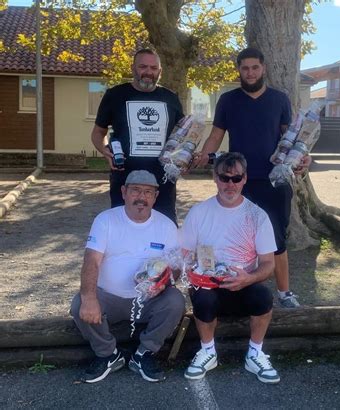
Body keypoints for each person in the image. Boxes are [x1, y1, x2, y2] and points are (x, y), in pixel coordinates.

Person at [194, 47, 310, 308]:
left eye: (254, 67)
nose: (250, 73)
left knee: (277, 238)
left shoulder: (280, 100)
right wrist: (202, 155)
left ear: (263, 68)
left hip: (274, 182)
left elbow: (291, 139)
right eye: (245, 68)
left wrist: (304, 158)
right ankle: (237, 282)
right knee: (236, 235)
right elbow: (216, 135)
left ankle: (284, 293)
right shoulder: (227, 100)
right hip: (238, 181)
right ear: (239, 70)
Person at [70, 170, 185, 383]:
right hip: (109, 297)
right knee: (79, 304)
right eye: (135, 191)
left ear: (155, 196)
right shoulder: (106, 220)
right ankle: (108, 355)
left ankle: (144, 354)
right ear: (123, 192)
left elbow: (176, 267)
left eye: (148, 192)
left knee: (176, 301)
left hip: (148, 299)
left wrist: (163, 283)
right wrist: (89, 297)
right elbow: (91, 261)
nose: (141, 197)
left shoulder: (166, 225)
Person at [181, 152, 280, 384]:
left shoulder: (257, 216)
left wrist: (248, 278)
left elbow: (268, 265)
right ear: (214, 177)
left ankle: (255, 352)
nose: (230, 184)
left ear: (245, 179)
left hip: (243, 283)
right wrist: (194, 271)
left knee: (263, 296)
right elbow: (184, 255)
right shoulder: (198, 212)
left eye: (236, 179)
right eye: (224, 178)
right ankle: (208, 351)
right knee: (204, 300)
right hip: (207, 285)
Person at [91, 48, 184, 224]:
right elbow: (98, 133)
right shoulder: (115, 95)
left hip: (163, 180)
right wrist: (105, 152)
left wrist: (183, 159)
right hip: (125, 178)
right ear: (133, 68)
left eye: (153, 68)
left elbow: (181, 137)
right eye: (143, 66)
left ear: (160, 71)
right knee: (123, 226)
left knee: (165, 226)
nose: (148, 72)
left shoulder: (171, 98)